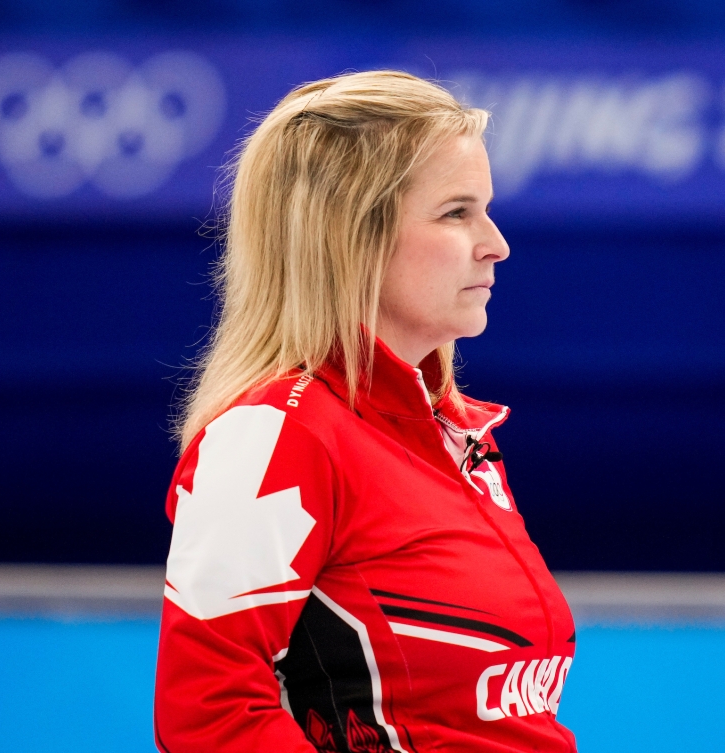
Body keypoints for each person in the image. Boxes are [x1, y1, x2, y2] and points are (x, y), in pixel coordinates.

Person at [153, 71, 578, 752]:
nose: (494, 242)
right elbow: (209, 715)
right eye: (455, 212)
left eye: (486, 208)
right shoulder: (274, 437)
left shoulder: (457, 433)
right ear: (350, 234)